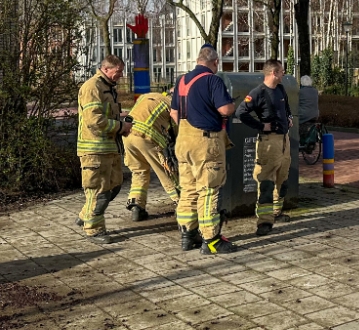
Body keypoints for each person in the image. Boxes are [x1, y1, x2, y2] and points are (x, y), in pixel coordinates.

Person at [170, 45, 237, 254]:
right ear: (215, 62)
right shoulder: (212, 80)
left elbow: (173, 113)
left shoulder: (181, 81)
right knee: (208, 190)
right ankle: (211, 240)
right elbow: (225, 109)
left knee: (188, 189)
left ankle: (188, 235)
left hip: (183, 140)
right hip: (205, 142)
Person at [76, 55, 131, 244]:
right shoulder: (93, 87)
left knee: (113, 186)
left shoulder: (107, 87)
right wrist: (120, 127)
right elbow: (94, 120)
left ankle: (86, 215)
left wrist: (121, 122)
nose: (121, 75)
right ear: (107, 69)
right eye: (118, 71)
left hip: (109, 149)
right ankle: (94, 229)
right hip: (95, 151)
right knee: (98, 191)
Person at [236, 59, 292, 237]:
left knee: (282, 179)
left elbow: (286, 107)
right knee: (266, 182)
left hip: (284, 140)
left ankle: (276, 212)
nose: (284, 73)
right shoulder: (258, 93)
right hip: (269, 142)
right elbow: (241, 112)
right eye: (282, 71)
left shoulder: (281, 89)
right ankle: (264, 222)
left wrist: (289, 117)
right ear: (274, 73)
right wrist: (261, 126)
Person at [123, 91, 180, 221]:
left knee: (139, 171)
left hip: (128, 136)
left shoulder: (147, 96)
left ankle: (137, 206)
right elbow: (176, 134)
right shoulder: (172, 105)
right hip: (146, 137)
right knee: (166, 172)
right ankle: (181, 203)